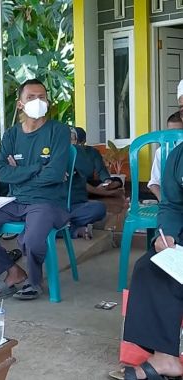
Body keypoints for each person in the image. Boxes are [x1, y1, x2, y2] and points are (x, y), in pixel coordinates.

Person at [0, 78, 70, 301]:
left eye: (42, 97)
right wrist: (38, 167)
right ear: (20, 104)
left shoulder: (58, 131)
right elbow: (3, 173)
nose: (37, 101)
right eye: (31, 97)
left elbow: (56, 173)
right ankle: (12, 272)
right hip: (14, 199)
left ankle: (34, 280)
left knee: (32, 240)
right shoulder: (11, 135)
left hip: (47, 201)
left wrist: (20, 173)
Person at [120, 142, 183, 380]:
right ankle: (166, 357)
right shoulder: (179, 156)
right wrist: (166, 234)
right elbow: (172, 205)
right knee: (150, 267)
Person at [68, 127, 107, 239]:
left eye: (71, 139)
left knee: (99, 209)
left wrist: (107, 182)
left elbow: (94, 170)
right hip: (56, 206)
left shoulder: (85, 153)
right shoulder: (58, 155)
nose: (69, 143)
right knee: (41, 219)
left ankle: (65, 224)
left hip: (76, 204)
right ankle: (74, 229)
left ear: (80, 141)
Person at [74, 127, 123, 195]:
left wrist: (107, 181)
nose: (78, 145)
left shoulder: (93, 152)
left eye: (80, 142)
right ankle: (101, 192)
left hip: (89, 182)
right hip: (75, 183)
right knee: (76, 185)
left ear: (84, 141)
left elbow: (101, 170)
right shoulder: (67, 152)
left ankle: (96, 191)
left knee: (118, 181)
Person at [147, 111, 183, 201]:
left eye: (179, 132)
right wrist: (164, 201)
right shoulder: (161, 152)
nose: (175, 137)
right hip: (171, 204)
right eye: (171, 133)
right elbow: (154, 183)